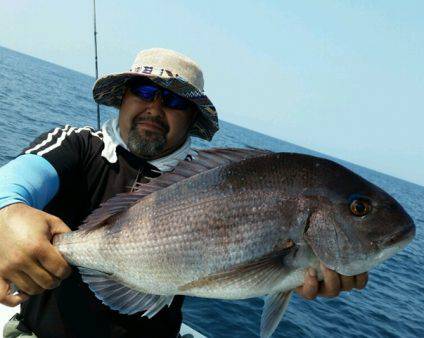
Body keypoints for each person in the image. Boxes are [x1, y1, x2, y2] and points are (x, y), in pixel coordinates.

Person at [0, 48, 368, 338]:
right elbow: (16, 180)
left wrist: (306, 269)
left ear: (192, 117)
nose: (155, 108)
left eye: (175, 101)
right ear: (123, 98)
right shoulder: (77, 144)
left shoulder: (207, 178)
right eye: (144, 91)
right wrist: (7, 214)